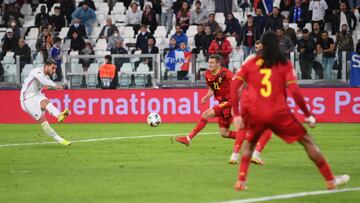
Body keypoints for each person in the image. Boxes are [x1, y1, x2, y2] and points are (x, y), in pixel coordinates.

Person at [231, 31, 350, 191]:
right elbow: (295, 92)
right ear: (277, 45)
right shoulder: (284, 65)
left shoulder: (251, 64)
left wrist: (236, 114)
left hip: (256, 112)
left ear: (262, 46)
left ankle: (241, 181)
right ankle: (330, 180)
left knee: (250, 144)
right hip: (279, 113)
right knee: (307, 141)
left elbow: (234, 86)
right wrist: (308, 115)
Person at [175, 54, 237, 146]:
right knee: (225, 133)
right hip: (222, 102)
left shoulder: (226, 73)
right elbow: (212, 88)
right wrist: (206, 97)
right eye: (209, 62)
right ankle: (250, 136)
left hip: (229, 101)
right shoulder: (207, 74)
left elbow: (237, 83)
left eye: (212, 63)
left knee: (206, 114)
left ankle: (188, 138)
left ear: (218, 64)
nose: (210, 65)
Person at [229, 40, 272, 165]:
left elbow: (238, 82)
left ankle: (234, 155)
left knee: (243, 128)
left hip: (247, 97)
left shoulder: (249, 62)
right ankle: (256, 154)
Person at [20, 59, 71, 146]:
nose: (54, 71)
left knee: (46, 102)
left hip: (36, 95)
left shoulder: (46, 77)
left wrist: (55, 87)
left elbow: (46, 83)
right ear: (46, 66)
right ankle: (60, 139)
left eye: (55, 69)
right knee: (43, 121)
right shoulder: (37, 71)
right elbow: (43, 81)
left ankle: (59, 115)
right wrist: (55, 86)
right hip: (26, 99)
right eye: (53, 68)